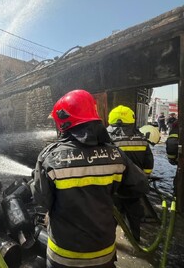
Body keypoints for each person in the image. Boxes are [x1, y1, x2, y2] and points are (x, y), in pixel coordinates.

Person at [32, 89, 149, 268]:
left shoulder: (49, 158)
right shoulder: (115, 154)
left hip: (64, 256)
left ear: (64, 123)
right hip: (103, 255)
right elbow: (139, 186)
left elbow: (41, 201)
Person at [107, 105, 154, 241]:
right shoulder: (142, 139)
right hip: (135, 188)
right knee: (134, 218)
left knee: (111, 218)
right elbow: (149, 165)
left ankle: (110, 244)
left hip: (114, 188)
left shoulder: (106, 139)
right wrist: (143, 178)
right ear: (132, 119)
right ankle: (135, 242)